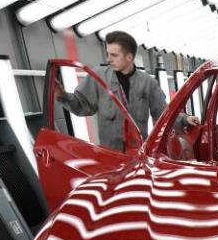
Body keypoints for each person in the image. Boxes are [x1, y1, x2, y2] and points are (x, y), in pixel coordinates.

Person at [56, 30, 198, 152]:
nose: (108, 59)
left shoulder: (148, 83)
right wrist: (62, 95)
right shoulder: (98, 78)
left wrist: (185, 119)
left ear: (129, 57)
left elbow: (163, 113)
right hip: (109, 157)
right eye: (108, 54)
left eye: (114, 55)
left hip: (138, 155)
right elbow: (82, 105)